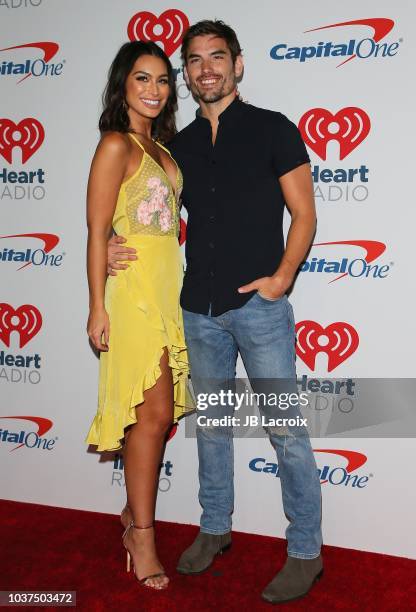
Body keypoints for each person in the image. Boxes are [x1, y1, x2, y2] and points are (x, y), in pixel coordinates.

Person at [108, 20, 322, 604]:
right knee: (214, 431)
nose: (207, 68)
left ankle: (306, 550)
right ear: (188, 72)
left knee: (287, 433)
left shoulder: (273, 129)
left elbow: (304, 213)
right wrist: (104, 244)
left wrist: (280, 280)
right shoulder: (175, 148)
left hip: (257, 309)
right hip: (196, 312)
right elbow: (136, 207)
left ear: (238, 64)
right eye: (195, 60)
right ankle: (214, 529)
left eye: (217, 57)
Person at [85, 40, 190, 590]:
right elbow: (96, 231)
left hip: (167, 292)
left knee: (159, 416)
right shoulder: (115, 145)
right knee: (149, 416)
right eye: (141, 79)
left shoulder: (165, 151)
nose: (153, 90)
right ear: (123, 85)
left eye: (162, 80)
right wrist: (97, 305)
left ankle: (133, 515)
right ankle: (141, 535)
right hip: (132, 297)